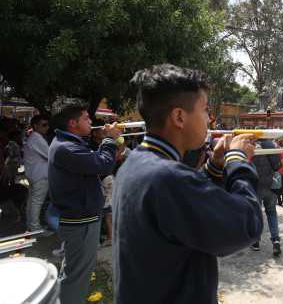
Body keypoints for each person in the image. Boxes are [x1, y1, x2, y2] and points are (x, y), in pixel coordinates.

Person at [112, 64, 263, 304]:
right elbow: (247, 225)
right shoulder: (166, 177)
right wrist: (238, 160)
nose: (209, 119)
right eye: (205, 110)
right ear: (179, 117)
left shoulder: (137, 162)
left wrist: (215, 162)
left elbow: (188, 198)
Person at [48, 104, 121, 304]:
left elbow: (94, 161)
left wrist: (106, 139)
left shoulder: (69, 143)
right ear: (73, 123)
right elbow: (103, 164)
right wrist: (109, 139)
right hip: (80, 221)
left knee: (74, 270)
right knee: (77, 275)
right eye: (86, 118)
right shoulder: (66, 148)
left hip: (81, 218)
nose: (91, 122)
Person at [251, 135, 283, 256]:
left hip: (256, 185)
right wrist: (273, 174)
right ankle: (276, 241)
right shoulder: (273, 145)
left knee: (256, 213)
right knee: (271, 212)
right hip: (271, 186)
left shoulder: (251, 146)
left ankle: (256, 242)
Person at [24, 114, 51, 234]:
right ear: (35, 126)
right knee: (36, 201)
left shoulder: (34, 137)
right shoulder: (37, 138)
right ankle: (35, 228)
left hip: (34, 174)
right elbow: (51, 155)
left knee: (32, 201)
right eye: (44, 125)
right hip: (40, 175)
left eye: (47, 125)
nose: (47, 127)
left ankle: (31, 225)